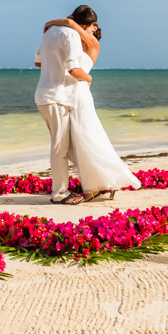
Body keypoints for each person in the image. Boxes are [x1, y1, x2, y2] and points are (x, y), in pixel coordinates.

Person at [43, 17, 141, 202]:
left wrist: (57, 23)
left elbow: (72, 27)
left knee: (88, 137)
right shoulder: (74, 45)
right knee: (78, 143)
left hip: (80, 93)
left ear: (92, 28)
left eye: (87, 28)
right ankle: (94, 185)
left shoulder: (93, 43)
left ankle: (99, 184)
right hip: (70, 94)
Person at [34, 5, 96, 205]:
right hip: (58, 97)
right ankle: (60, 193)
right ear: (84, 25)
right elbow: (74, 70)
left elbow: (38, 63)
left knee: (65, 146)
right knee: (60, 147)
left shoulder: (49, 32)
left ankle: (93, 182)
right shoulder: (71, 36)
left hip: (44, 95)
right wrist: (89, 78)